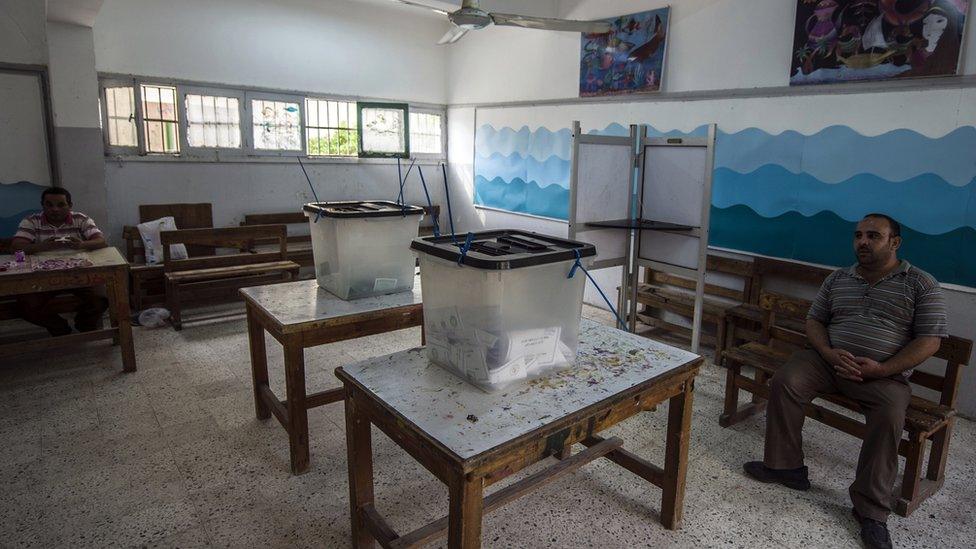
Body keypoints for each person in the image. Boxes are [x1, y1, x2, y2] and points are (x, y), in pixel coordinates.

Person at [742, 213, 947, 549]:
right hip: (828, 361)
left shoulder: (921, 284)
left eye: (873, 236)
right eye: (858, 235)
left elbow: (930, 340)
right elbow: (815, 321)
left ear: (895, 242)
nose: (862, 242)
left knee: (890, 414)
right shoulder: (839, 279)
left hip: (882, 374)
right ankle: (786, 468)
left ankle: (870, 510)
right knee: (786, 380)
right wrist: (827, 351)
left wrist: (881, 369)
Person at [10, 187, 109, 336]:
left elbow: (101, 242)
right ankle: (60, 328)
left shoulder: (81, 219)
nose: (55, 209)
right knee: (26, 305)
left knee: (101, 299)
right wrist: (45, 246)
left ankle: (84, 326)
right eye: (49, 204)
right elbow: (16, 248)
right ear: (42, 205)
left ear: (70, 205)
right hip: (41, 276)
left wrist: (81, 245)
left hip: (79, 274)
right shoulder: (31, 221)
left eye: (61, 205)